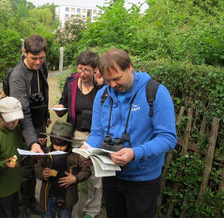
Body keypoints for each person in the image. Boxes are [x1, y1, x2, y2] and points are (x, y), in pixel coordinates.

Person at [86, 49, 177, 218]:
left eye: (116, 78)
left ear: (129, 67)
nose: (112, 85)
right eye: (107, 80)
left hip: (143, 180)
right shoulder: (102, 95)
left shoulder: (156, 92)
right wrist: (88, 148)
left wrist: (135, 153)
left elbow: (168, 138)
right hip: (111, 174)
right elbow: (97, 132)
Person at [53, 50, 104, 218]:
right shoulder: (71, 82)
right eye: (80, 68)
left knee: (95, 176)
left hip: (96, 136)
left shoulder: (101, 86)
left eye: (86, 70)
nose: (82, 73)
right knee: (72, 171)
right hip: (75, 134)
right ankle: (69, 208)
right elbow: (64, 102)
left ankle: (91, 210)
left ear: (95, 70)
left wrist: (101, 84)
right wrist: (60, 109)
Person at [8, 34, 51, 217]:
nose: (38, 62)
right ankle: (20, 206)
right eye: (34, 58)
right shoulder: (17, 77)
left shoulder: (42, 67)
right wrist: (32, 141)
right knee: (24, 168)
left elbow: (44, 92)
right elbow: (22, 113)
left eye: (42, 58)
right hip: (23, 128)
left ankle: (31, 199)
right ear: (24, 52)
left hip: (39, 124)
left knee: (36, 165)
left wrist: (46, 114)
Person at [35, 121, 91, 218]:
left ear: (69, 143)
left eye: (62, 145)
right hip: (48, 197)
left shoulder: (76, 155)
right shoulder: (46, 154)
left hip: (67, 198)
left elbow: (87, 170)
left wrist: (75, 178)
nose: (59, 148)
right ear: (52, 140)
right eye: (56, 144)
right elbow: (37, 167)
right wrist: (42, 173)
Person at [0, 96, 26, 218]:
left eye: (17, 119)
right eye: (10, 120)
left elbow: (19, 147)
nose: (14, 123)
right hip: (2, 190)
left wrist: (32, 145)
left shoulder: (16, 130)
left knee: (15, 212)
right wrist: (5, 164)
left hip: (15, 185)